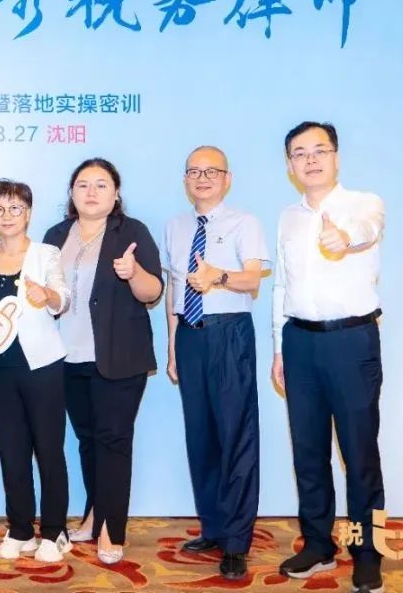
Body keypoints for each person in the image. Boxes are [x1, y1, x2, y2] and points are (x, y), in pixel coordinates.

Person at [273, 122, 386, 593]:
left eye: (320, 150)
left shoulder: (363, 203)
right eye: (300, 153)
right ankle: (318, 544)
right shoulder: (288, 217)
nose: (311, 159)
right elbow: (281, 286)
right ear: (290, 165)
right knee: (308, 452)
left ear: (336, 157)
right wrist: (278, 349)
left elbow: (366, 231)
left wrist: (346, 237)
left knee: (359, 454)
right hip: (299, 342)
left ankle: (367, 552)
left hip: (351, 341)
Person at [43, 157, 162, 565]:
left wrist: (133, 272)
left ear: (116, 193)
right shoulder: (56, 235)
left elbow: (152, 292)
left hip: (118, 356)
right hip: (67, 356)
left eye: (101, 184)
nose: (91, 192)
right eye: (83, 185)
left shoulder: (132, 232)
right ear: (71, 193)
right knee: (88, 440)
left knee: (114, 440)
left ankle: (113, 528)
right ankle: (95, 513)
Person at [163, 146, 268, 580]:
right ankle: (213, 527)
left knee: (235, 435)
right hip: (190, 335)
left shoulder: (245, 222)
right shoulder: (175, 226)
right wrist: (172, 346)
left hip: (229, 333)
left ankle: (237, 542)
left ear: (227, 179)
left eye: (212, 171)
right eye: (194, 171)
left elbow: (254, 278)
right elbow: (174, 288)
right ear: (185, 179)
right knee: (201, 435)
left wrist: (218, 276)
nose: (202, 178)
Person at [0, 179, 72, 563]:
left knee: (48, 450)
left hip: (42, 366)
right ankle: (20, 529)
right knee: (11, 451)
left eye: (15, 208)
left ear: (28, 213)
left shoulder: (45, 253)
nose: (7, 216)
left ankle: (55, 531)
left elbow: (63, 296)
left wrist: (47, 295)